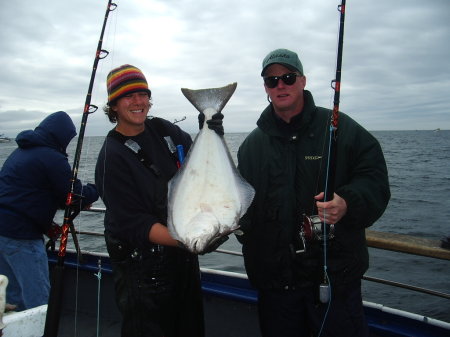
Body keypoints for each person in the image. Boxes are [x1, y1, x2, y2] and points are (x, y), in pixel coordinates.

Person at [236, 48, 391, 337]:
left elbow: (375, 180)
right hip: (275, 287)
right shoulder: (251, 147)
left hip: (333, 283)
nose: (280, 85)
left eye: (288, 77)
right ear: (266, 89)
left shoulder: (341, 129)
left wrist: (347, 202)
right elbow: (240, 203)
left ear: (303, 81)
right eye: (272, 81)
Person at [95, 64, 224, 337]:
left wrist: (211, 131)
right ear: (114, 105)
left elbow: (201, 165)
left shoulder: (163, 130)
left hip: (183, 263)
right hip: (143, 274)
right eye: (129, 96)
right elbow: (135, 224)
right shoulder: (111, 157)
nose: (139, 102)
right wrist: (191, 241)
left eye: (143, 94)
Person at [0, 111, 99, 311]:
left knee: (11, 296)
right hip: (22, 236)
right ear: (62, 136)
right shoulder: (51, 157)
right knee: (38, 300)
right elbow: (74, 194)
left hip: (3, 231)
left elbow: (33, 192)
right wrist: (97, 189)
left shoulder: (21, 151)